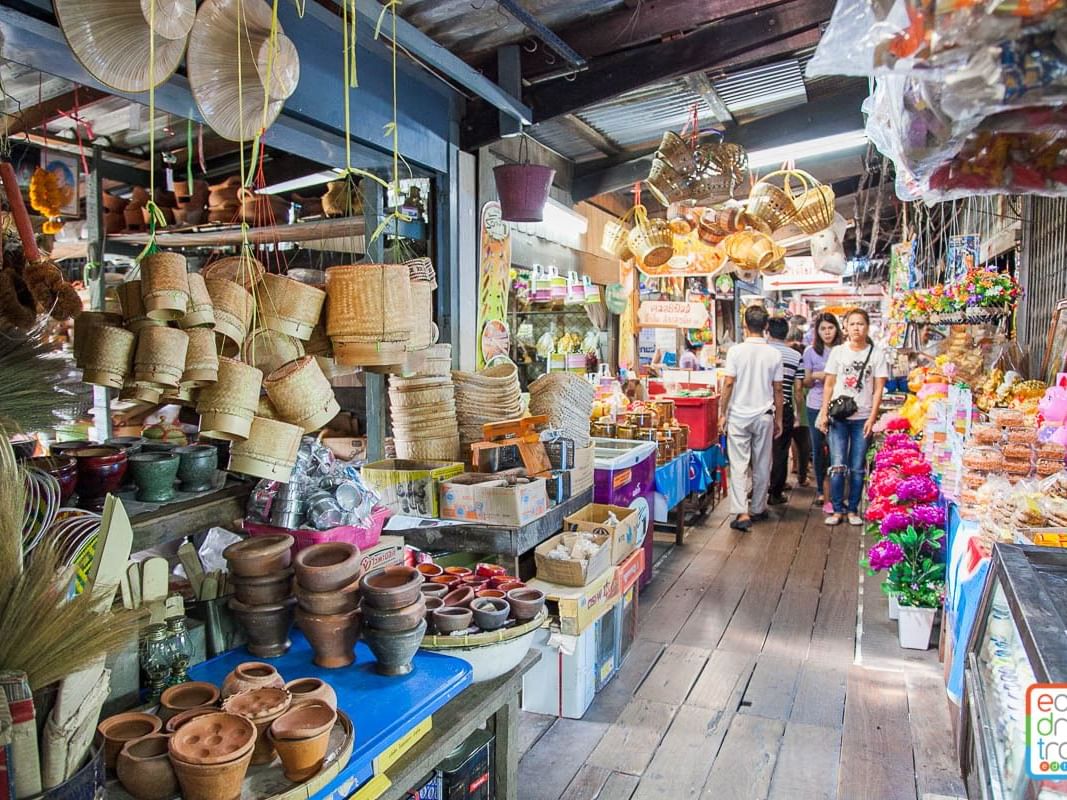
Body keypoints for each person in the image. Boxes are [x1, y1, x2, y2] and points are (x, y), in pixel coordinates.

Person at [816, 308, 889, 526]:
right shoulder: (838, 352)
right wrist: (823, 413)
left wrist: (872, 418)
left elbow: (878, 390)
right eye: (852, 324)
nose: (857, 328)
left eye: (861, 324)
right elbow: (829, 384)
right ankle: (837, 509)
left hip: (863, 417)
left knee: (857, 467)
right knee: (838, 465)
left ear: (867, 327)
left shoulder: (877, 354)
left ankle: (853, 509)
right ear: (845, 328)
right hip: (838, 417)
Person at [719, 306, 783, 532]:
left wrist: (722, 413)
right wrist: (779, 419)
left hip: (738, 415)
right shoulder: (774, 353)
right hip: (764, 415)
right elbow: (778, 390)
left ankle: (742, 512)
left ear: (745, 325)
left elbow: (728, 383)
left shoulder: (736, 351)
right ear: (766, 326)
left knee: (738, 464)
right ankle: (758, 507)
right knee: (763, 462)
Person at [802, 312, 844, 513]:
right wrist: (820, 375)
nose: (827, 332)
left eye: (830, 327)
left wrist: (827, 375)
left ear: (836, 329)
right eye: (823, 329)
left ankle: (837, 492)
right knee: (818, 449)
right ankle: (821, 489)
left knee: (837, 449)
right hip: (815, 405)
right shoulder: (810, 352)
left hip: (839, 407)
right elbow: (806, 381)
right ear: (817, 332)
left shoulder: (844, 350)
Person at [767, 317, 804, 505]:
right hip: (785, 406)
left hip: (761, 406)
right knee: (781, 451)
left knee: (759, 450)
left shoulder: (762, 352)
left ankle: (757, 488)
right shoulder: (796, 356)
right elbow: (797, 389)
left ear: (768, 331)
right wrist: (798, 413)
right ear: (786, 333)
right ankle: (775, 492)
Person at [788, 327, 812, 488]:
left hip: (786, 413)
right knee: (804, 448)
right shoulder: (803, 376)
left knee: (784, 448)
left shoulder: (785, 374)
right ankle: (802, 477)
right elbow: (801, 392)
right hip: (803, 417)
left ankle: (781, 480)